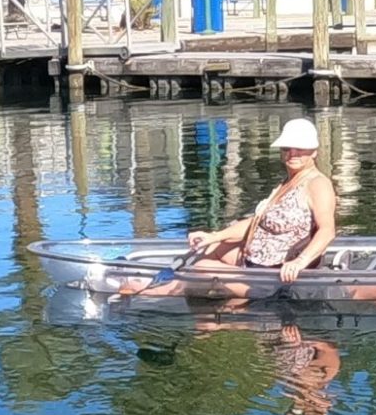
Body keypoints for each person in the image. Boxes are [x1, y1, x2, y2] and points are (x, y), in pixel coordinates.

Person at [122, 118, 338, 299]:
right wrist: (214, 236)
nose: (292, 154)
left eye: (300, 149)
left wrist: (300, 262)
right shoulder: (286, 182)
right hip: (254, 258)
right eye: (287, 148)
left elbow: (327, 230)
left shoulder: (317, 184)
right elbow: (256, 222)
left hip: (275, 273)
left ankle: (157, 292)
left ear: (314, 152)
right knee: (209, 248)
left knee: (202, 268)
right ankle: (172, 283)